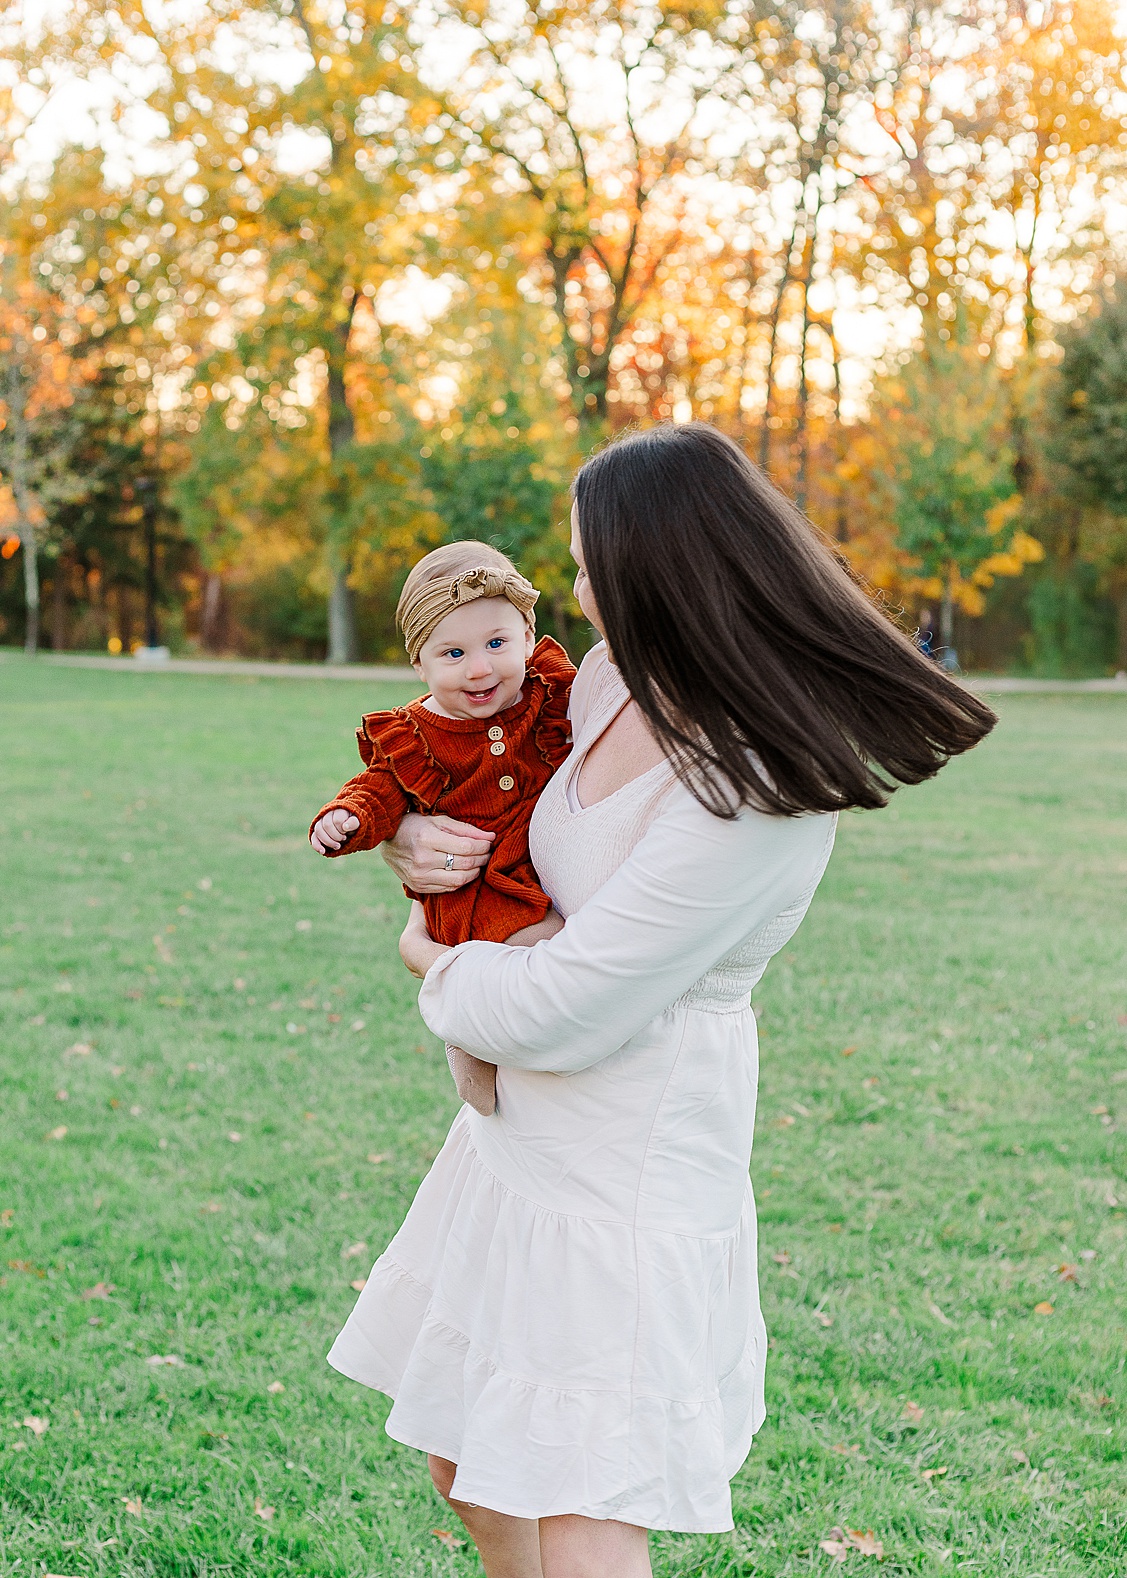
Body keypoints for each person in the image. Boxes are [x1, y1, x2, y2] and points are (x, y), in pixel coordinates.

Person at [326, 424, 997, 1577]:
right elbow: (503, 792)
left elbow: (572, 1007)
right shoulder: (604, 677)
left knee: (582, 1510)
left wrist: (429, 960)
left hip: (622, 1166)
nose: (574, 589)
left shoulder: (756, 785)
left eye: (588, 564)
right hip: (514, 1141)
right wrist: (422, 850)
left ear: (657, 568)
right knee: (469, 1468)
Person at [309, 541, 574, 1113]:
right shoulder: (416, 733)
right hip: (473, 892)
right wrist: (349, 818)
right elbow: (380, 788)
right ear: (419, 664)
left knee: (552, 949)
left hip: (535, 869)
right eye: (452, 653)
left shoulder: (549, 693)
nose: (479, 668)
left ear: (528, 638)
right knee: (541, 948)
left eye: (497, 644)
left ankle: (500, 1052)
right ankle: (474, 1049)